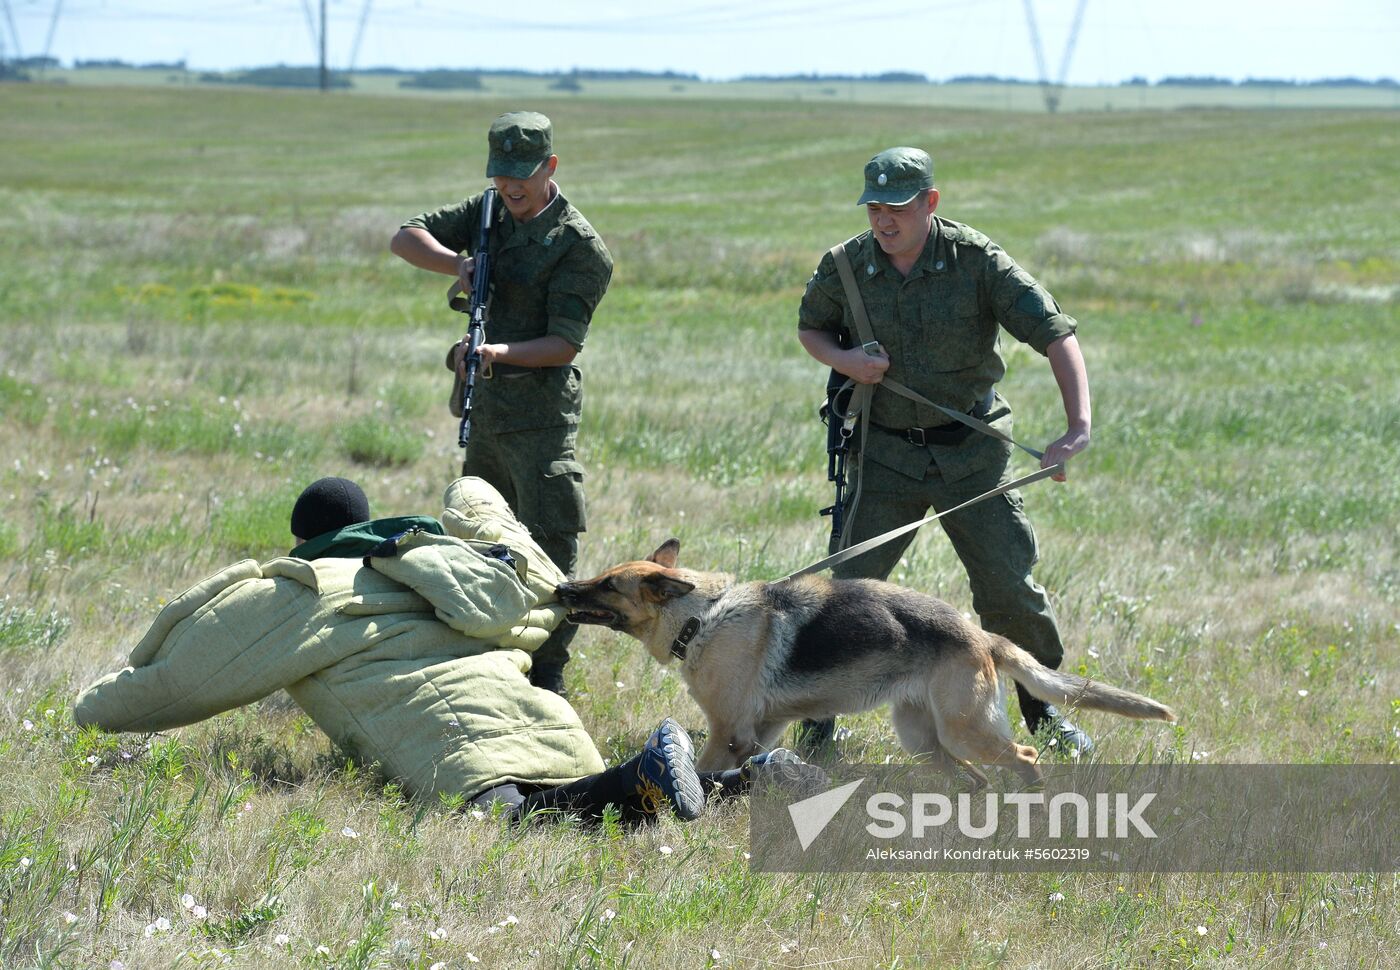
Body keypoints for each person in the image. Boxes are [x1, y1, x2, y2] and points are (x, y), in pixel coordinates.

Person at [74, 476, 807, 824]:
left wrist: (89, 711)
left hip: (460, 747)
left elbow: (190, 677)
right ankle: (755, 779)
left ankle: (647, 770)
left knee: (519, 819)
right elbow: (535, 602)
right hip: (546, 720)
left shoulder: (309, 589)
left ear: (307, 540)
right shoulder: (448, 565)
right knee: (590, 804)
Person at [795, 147, 1094, 755]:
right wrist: (848, 361)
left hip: (971, 460)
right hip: (883, 459)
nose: (883, 220)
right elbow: (811, 328)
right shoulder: (846, 267)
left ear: (930, 202)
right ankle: (815, 721)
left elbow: (1055, 333)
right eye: (874, 206)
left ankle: (1044, 716)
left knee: (1010, 593)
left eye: (898, 207)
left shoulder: (977, 261)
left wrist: (1076, 425)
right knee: (844, 595)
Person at [390, 111, 614, 697]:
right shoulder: (487, 213)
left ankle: (547, 672)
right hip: (486, 411)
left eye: (524, 175)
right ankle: (485, 657)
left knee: (546, 543)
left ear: (551, 168)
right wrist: (458, 264)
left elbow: (563, 344)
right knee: (480, 537)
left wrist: (493, 351)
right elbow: (404, 236)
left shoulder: (579, 248)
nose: (511, 188)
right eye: (501, 175)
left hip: (539, 417)